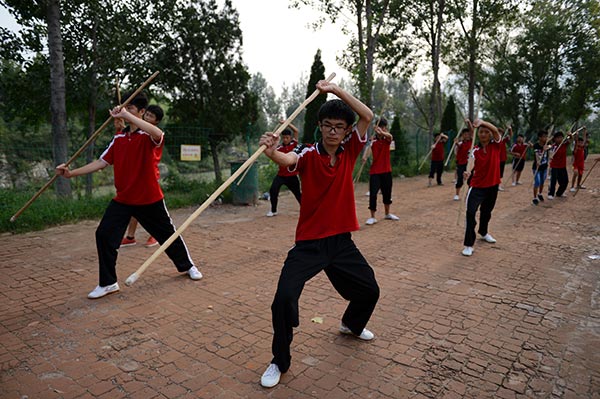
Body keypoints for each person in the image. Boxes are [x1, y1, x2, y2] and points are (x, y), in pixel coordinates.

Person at [257, 80, 380, 388]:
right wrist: (272, 152)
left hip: (341, 243)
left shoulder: (351, 149)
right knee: (283, 298)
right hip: (310, 245)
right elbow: (289, 160)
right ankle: (279, 361)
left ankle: (351, 324)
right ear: (320, 127)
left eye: (339, 127)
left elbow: (367, 115)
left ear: (347, 131)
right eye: (327, 125)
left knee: (370, 290)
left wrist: (336, 91)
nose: (332, 131)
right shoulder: (308, 154)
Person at [55, 92, 202, 299]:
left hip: (149, 198)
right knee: (104, 234)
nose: (125, 112)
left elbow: (158, 133)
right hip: (123, 199)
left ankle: (188, 266)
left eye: (131, 108)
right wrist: (70, 173)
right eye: (124, 108)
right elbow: (101, 163)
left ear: (141, 112)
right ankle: (108, 283)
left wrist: (127, 115)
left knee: (167, 235)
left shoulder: (147, 137)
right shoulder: (119, 138)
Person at [120, 104, 165, 247]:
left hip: (149, 175)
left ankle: (156, 234)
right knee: (135, 207)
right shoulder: (136, 132)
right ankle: (130, 236)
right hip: (137, 176)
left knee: (152, 208)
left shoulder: (152, 134)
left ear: (156, 122)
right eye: (147, 114)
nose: (147, 118)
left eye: (151, 117)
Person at [461, 119, 501, 257]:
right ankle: (468, 244)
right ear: (478, 134)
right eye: (481, 132)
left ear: (490, 135)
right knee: (470, 213)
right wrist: (468, 171)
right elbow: (471, 162)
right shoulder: (475, 149)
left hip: (493, 185)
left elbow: (495, 130)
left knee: (486, 212)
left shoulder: (496, 145)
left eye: (486, 132)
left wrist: (483, 122)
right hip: (477, 187)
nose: (483, 134)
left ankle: (483, 232)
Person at [362, 117, 400, 225]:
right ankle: (372, 217)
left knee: (387, 193)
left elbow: (390, 136)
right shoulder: (372, 140)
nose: (383, 129)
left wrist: (382, 132)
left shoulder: (387, 139)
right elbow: (368, 149)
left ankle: (387, 213)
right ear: (376, 127)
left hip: (386, 171)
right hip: (375, 172)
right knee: (373, 194)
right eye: (380, 127)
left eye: (384, 127)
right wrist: (365, 157)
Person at [266, 122, 302, 217]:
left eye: (287, 137)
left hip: (292, 176)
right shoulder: (278, 148)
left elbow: (296, 131)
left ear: (290, 138)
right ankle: (273, 211)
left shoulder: (294, 145)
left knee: (298, 194)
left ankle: (305, 210)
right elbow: (272, 153)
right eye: (284, 137)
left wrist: (286, 123)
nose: (285, 139)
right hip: (281, 175)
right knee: (273, 190)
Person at [547, 131, 571, 199]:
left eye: (561, 137)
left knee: (565, 181)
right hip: (554, 166)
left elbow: (570, 140)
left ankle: (559, 193)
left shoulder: (564, 144)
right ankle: (551, 193)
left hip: (562, 166)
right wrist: (550, 155)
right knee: (553, 181)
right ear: (554, 139)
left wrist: (570, 135)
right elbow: (550, 153)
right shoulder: (553, 146)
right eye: (558, 138)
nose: (560, 139)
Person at [453, 124, 472, 201]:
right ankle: (457, 194)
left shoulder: (472, 141)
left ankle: (468, 194)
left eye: (468, 134)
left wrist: (468, 123)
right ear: (462, 135)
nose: (467, 135)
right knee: (460, 179)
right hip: (461, 164)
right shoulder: (460, 143)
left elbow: (473, 131)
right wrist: (456, 143)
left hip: (470, 164)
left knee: (471, 180)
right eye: (465, 134)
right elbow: (457, 151)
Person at [531, 130, 550, 206]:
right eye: (544, 136)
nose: (545, 138)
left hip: (544, 167)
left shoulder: (547, 144)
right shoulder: (536, 145)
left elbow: (550, 149)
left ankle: (540, 193)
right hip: (536, 168)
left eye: (546, 136)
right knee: (537, 182)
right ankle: (535, 198)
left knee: (542, 182)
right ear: (539, 137)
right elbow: (536, 154)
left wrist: (547, 148)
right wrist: (538, 161)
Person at [498, 126, 513, 191]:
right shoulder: (493, 140)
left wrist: (510, 129)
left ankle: (498, 185)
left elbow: (510, 135)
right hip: (495, 159)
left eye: (500, 133)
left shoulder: (503, 139)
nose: (499, 134)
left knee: (500, 173)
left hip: (502, 158)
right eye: (498, 132)